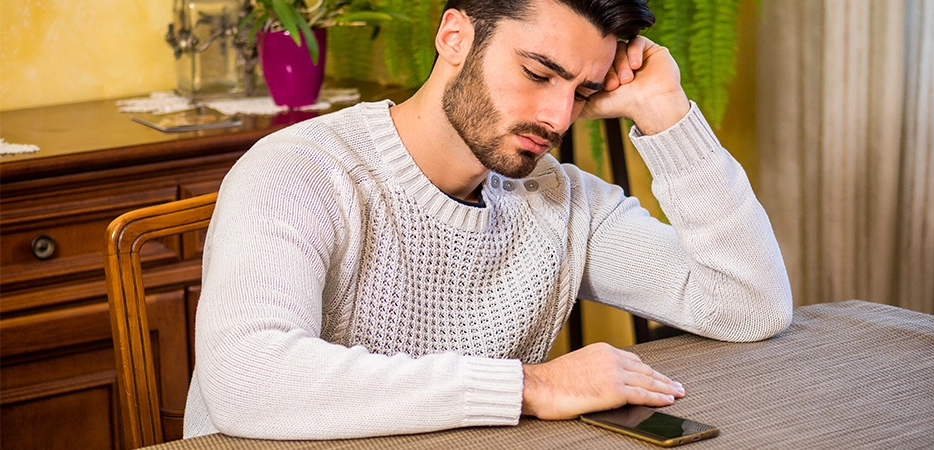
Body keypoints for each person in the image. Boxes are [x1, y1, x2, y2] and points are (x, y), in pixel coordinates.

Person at [183, 0, 793, 440]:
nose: (557, 117)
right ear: (454, 37)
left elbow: (748, 305)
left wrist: (666, 112)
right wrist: (531, 387)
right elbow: (249, 380)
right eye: (537, 73)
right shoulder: (298, 173)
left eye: (582, 91)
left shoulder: (560, 200)